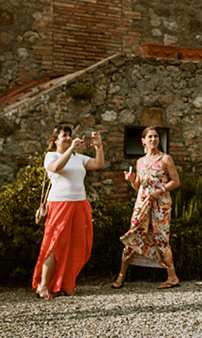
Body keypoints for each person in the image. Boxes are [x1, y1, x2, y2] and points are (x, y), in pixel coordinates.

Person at [32, 124, 105, 299]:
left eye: (69, 135)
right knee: (54, 244)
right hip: (59, 204)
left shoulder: (78, 157)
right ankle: (43, 285)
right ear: (55, 139)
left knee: (77, 244)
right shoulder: (51, 155)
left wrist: (99, 146)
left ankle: (67, 284)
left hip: (79, 203)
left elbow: (98, 163)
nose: (68, 138)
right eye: (64, 135)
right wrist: (71, 148)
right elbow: (56, 168)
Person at [112, 127, 181, 289]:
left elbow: (176, 181)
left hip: (161, 206)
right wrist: (130, 180)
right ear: (143, 140)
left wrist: (160, 191)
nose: (153, 139)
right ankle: (121, 276)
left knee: (161, 238)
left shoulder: (165, 159)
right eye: (149, 137)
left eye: (156, 136)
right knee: (133, 235)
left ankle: (172, 277)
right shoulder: (140, 162)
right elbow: (138, 186)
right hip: (142, 204)